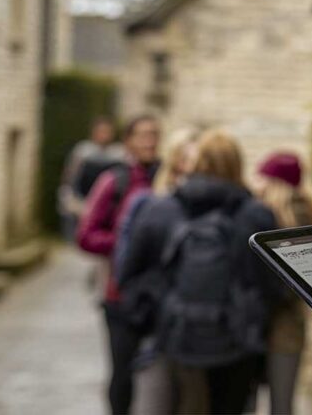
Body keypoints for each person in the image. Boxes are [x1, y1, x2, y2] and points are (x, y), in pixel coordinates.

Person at [118, 130, 280, 414]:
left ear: (196, 163)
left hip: (173, 335)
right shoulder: (256, 215)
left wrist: (153, 315)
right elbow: (272, 285)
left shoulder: (159, 208)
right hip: (236, 342)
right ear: (237, 165)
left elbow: (129, 274)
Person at [77, 114, 161, 415]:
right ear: (128, 141)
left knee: (160, 375)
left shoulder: (167, 181)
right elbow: (85, 235)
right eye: (142, 134)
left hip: (161, 295)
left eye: (154, 134)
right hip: (119, 295)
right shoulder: (114, 181)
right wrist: (127, 243)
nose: (149, 141)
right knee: (123, 372)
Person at [114, 128, 201, 415]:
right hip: (156, 318)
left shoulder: (215, 207)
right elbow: (127, 261)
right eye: (189, 157)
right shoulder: (149, 202)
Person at [252, 152, 312, 415]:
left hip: (262, 323)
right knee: (283, 403)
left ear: (275, 183)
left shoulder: (269, 220)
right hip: (291, 326)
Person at [58, 116, 124, 240]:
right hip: (82, 204)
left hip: (108, 208)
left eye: (107, 131)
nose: (104, 135)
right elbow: (70, 176)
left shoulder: (119, 153)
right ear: (93, 132)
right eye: (101, 131)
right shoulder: (82, 151)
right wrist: (70, 200)